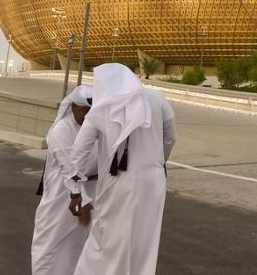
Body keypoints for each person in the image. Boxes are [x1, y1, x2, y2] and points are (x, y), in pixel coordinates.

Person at [66, 63, 176, 275]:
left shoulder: (102, 107)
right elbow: (171, 137)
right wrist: (157, 161)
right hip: (153, 182)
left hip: (119, 183)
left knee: (106, 240)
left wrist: (75, 190)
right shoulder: (157, 99)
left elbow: (78, 151)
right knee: (144, 241)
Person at [31, 86, 97, 275]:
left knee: (75, 249)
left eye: (92, 112)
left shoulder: (90, 129)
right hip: (63, 197)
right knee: (47, 247)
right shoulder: (61, 130)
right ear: (73, 107)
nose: (87, 116)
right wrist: (81, 199)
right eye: (85, 110)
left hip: (86, 195)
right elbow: (69, 168)